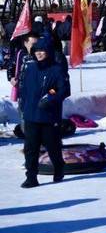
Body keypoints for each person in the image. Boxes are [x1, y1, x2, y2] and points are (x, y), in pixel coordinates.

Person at [20, 37, 69, 188]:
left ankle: (59, 167)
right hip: (31, 115)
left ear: (48, 52)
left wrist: (51, 96)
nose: (39, 54)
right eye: (37, 51)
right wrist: (23, 103)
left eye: (42, 51)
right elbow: (25, 89)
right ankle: (31, 177)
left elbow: (64, 90)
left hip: (49, 116)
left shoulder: (57, 69)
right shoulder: (30, 68)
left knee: (52, 146)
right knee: (31, 148)